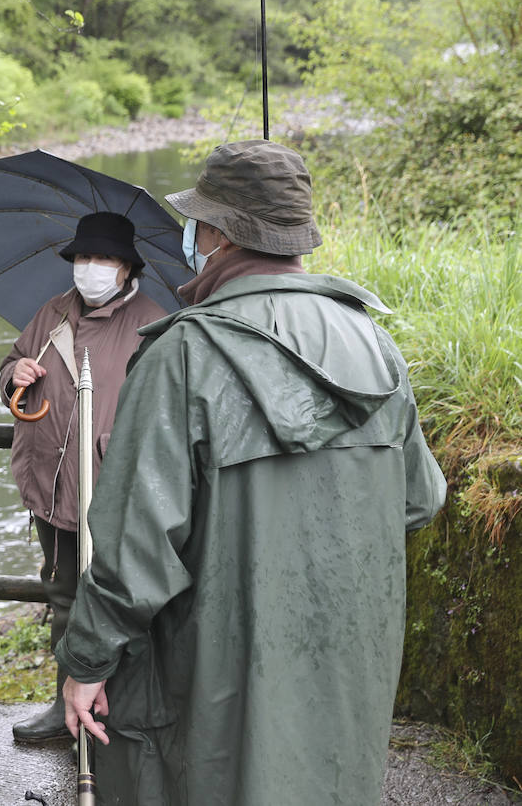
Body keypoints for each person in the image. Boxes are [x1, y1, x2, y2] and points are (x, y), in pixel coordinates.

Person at [58, 140, 447, 805]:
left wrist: (86, 662)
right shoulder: (374, 343)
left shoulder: (184, 352)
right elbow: (420, 498)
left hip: (218, 674)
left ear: (217, 233)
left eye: (196, 223)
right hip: (346, 668)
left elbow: (133, 550)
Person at [0, 211, 167, 743]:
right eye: (83, 258)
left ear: (126, 267)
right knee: (66, 599)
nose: (90, 268)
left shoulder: (153, 323)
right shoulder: (52, 313)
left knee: (122, 599)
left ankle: (127, 707)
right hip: (52, 485)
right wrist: (15, 378)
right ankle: (62, 707)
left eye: (103, 258)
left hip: (117, 491)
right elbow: (12, 363)